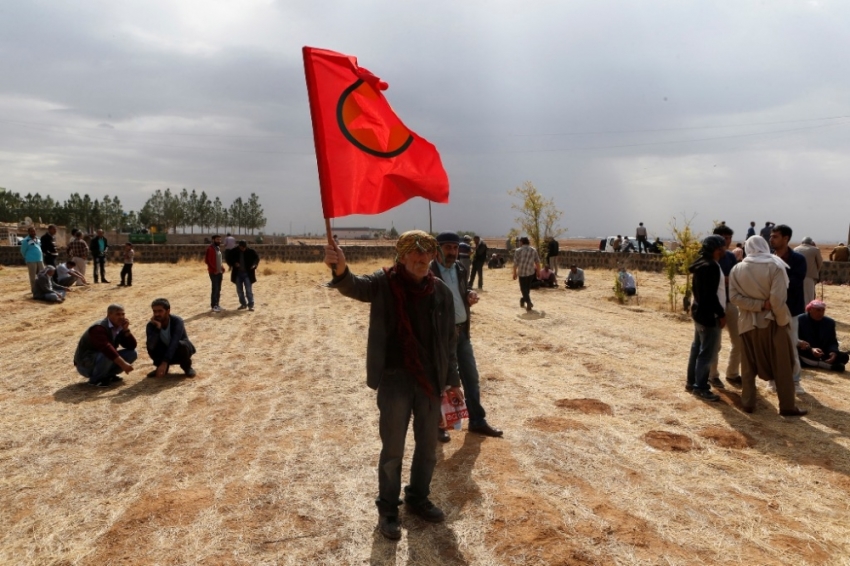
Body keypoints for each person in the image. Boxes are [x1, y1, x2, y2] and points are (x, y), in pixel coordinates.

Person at [323, 230, 463, 541]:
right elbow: (354, 286)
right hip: (395, 380)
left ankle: (418, 497)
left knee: (428, 448)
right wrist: (340, 268)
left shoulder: (440, 292)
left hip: (430, 381)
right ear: (401, 256)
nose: (422, 259)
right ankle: (388, 509)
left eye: (427, 254)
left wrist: (453, 381)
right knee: (393, 450)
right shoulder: (384, 282)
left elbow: (449, 344)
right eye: (415, 254)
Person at [431, 232, 503, 442]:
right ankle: (438, 425)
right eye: (448, 248)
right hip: (443, 337)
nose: (453, 252)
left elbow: (461, 290)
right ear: (437, 249)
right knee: (442, 382)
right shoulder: (429, 273)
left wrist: (469, 294)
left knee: (471, 378)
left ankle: (477, 421)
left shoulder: (460, 269)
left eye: (455, 248)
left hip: (462, 333)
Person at [728, 236, 807, 416]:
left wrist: (756, 305)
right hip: (772, 322)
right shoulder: (776, 266)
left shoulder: (737, 268)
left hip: (746, 323)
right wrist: (781, 321)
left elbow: (734, 298)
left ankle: (748, 403)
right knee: (783, 366)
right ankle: (787, 406)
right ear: (764, 246)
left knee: (748, 366)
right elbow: (777, 300)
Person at [686, 236, 727, 401]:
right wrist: (721, 314)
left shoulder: (700, 263)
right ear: (716, 249)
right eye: (722, 247)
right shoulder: (711, 267)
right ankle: (701, 387)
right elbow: (710, 296)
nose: (724, 250)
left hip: (699, 313)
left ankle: (691, 382)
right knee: (706, 353)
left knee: (697, 349)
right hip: (709, 316)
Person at [769, 224, 807, 394]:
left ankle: (795, 380)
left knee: (791, 345)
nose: (771, 239)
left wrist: (776, 281)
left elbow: (795, 283)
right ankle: (772, 380)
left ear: (786, 238)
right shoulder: (769, 259)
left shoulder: (798, 259)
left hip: (790, 309)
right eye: (771, 236)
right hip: (770, 310)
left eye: (775, 236)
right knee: (771, 346)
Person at [708, 225, 742, 389]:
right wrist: (728, 280)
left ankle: (732, 373)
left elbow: (735, 278)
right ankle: (712, 375)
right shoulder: (709, 258)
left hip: (731, 303)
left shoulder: (730, 257)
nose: (727, 241)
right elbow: (716, 281)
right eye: (724, 238)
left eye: (729, 238)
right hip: (714, 305)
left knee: (739, 341)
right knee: (716, 344)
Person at [73, 304, 138, 387]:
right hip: (85, 365)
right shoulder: (98, 328)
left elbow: (131, 346)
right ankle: (95, 380)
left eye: (123, 314)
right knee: (108, 353)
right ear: (109, 315)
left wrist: (126, 330)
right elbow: (106, 348)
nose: (121, 317)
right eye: (118, 314)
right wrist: (123, 364)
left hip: (100, 359)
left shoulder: (118, 327)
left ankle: (107, 375)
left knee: (132, 353)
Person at [145, 298, 196, 378]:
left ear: (168, 311)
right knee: (152, 345)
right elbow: (150, 346)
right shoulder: (151, 325)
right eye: (155, 311)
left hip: (179, 351)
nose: (157, 314)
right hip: (165, 352)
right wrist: (157, 329)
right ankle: (160, 367)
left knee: (181, 345)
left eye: (160, 311)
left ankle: (187, 367)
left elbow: (174, 342)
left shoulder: (177, 321)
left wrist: (165, 362)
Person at [797, 300, 849, 372]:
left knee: (843, 356)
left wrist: (833, 352)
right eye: (818, 310)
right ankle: (825, 365)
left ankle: (815, 363)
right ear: (810, 310)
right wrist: (811, 349)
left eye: (823, 310)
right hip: (806, 350)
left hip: (822, 353)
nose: (821, 313)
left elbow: (832, 341)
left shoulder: (829, 323)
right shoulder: (800, 320)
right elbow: (796, 339)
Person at [225, 240, 260, 311]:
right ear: (239, 246)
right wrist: (234, 263)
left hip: (247, 273)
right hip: (237, 274)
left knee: (248, 290)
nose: (243, 249)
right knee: (239, 290)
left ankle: (251, 305)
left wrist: (254, 265)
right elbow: (228, 258)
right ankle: (243, 304)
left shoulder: (251, 251)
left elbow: (257, 258)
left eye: (244, 247)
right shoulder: (234, 251)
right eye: (242, 247)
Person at [513, 236, 540, 312]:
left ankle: (528, 302)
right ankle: (523, 300)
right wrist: (538, 272)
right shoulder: (533, 250)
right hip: (531, 272)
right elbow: (537, 262)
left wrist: (514, 273)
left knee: (523, 289)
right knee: (527, 289)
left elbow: (515, 263)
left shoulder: (518, 251)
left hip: (522, 272)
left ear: (521, 242)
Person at [794, 237, 823, 306]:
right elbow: (820, 263)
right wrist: (816, 272)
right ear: (811, 243)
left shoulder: (795, 249)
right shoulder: (815, 249)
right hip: (809, 276)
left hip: (797, 276)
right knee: (809, 296)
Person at [205, 235, 227, 312]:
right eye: (217, 239)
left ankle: (217, 304)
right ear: (213, 240)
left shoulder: (217, 249)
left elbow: (219, 260)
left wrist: (222, 267)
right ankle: (213, 305)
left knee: (219, 289)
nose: (219, 241)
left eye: (220, 239)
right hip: (213, 272)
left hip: (219, 272)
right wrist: (214, 269)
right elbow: (208, 261)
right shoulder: (210, 249)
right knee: (215, 288)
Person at [20, 226, 45, 294]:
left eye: (34, 231)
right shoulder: (26, 240)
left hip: (40, 260)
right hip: (31, 260)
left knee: (42, 275)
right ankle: (34, 290)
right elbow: (23, 251)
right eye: (31, 231)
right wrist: (27, 257)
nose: (33, 232)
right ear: (28, 232)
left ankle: (42, 288)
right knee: (33, 276)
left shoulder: (38, 239)